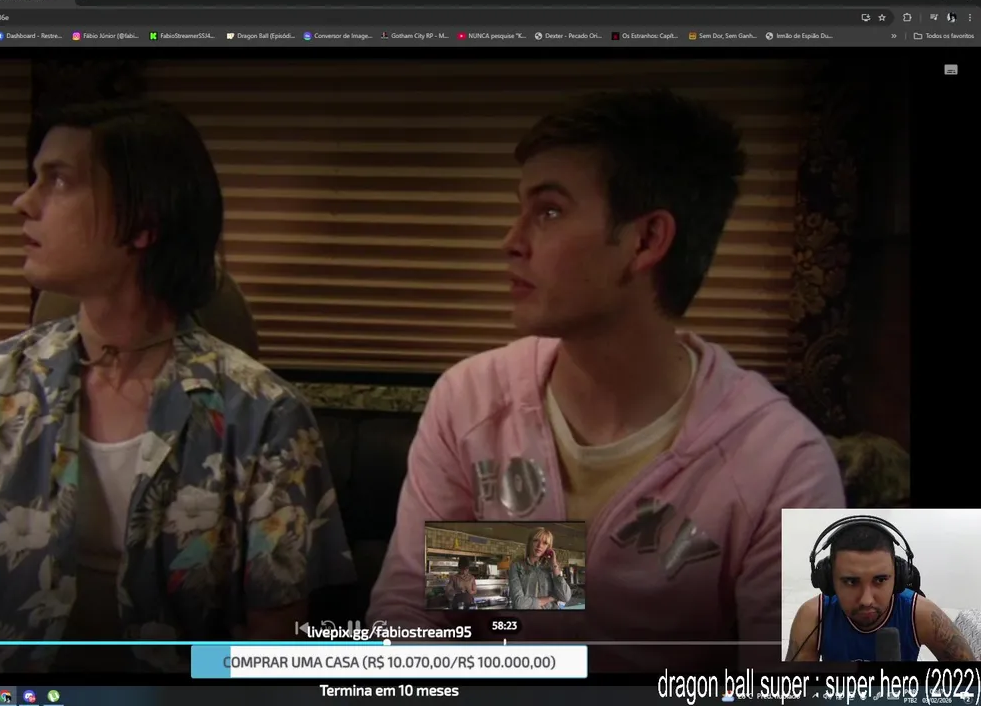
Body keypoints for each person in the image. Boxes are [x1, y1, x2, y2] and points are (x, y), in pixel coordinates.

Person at [0, 100, 355, 673]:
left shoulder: (263, 415)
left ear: (143, 223)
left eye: (58, 180)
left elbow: (274, 651)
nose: (23, 202)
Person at [367, 90, 845, 669]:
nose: (510, 241)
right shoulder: (472, 401)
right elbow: (411, 616)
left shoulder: (782, 465)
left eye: (548, 211)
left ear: (645, 241)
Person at [787, 521, 976, 662]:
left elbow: (971, 685)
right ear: (829, 581)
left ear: (899, 577)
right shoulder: (813, 617)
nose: (866, 600)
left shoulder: (921, 615)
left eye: (880, 580)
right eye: (851, 582)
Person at [508, 528, 571, 610]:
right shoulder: (516, 566)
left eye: (545, 543)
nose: (540, 545)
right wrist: (551, 598)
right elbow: (519, 604)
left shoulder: (551, 568)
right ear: (530, 542)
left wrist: (554, 565)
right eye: (536, 540)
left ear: (548, 547)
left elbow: (565, 597)